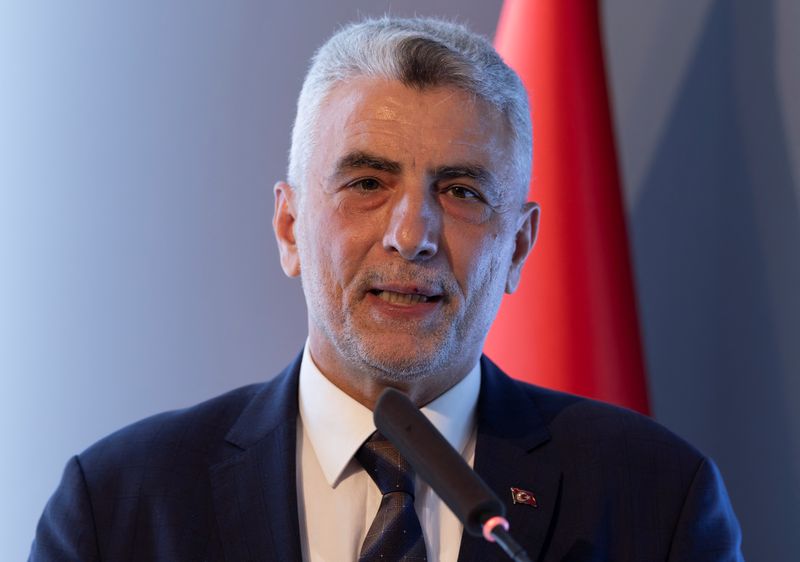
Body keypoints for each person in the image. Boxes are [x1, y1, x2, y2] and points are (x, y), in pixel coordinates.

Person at [30, 16, 743, 562]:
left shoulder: (659, 501)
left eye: (461, 191)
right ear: (288, 227)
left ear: (519, 246)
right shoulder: (119, 507)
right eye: (367, 183)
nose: (412, 234)